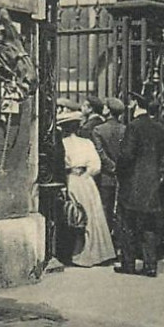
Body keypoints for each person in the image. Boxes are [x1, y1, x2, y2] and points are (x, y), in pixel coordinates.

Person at [116, 90, 164, 277]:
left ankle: (128, 263)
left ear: (137, 103)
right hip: (153, 183)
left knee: (128, 224)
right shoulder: (160, 127)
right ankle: (150, 265)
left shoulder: (134, 127)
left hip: (133, 183)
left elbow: (127, 155)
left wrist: (119, 170)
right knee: (149, 226)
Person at [59, 111, 115, 267]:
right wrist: (86, 175)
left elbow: (59, 166)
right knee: (91, 216)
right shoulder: (87, 143)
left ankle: (77, 253)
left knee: (75, 216)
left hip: (72, 180)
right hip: (87, 181)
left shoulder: (62, 144)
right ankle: (97, 253)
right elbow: (96, 165)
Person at [91, 97, 125, 237]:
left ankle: (106, 240)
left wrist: (111, 167)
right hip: (122, 175)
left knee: (105, 208)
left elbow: (99, 152)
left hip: (105, 175)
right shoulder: (125, 129)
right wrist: (119, 167)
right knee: (120, 209)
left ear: (109, 111)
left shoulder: (98, 130)